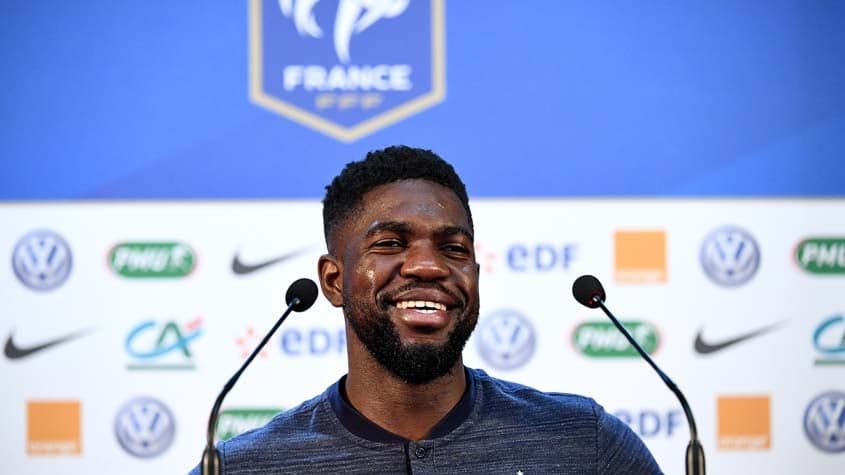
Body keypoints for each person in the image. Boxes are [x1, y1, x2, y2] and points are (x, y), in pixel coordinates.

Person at [190, 146, 662, 474]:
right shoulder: (244, 467)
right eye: (391, 243)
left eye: (453, 249)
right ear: (333, 281)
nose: (428, 266)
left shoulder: (585, 445)